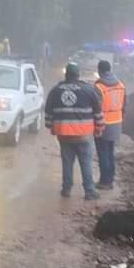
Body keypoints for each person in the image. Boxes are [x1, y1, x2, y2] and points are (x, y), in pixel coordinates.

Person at [45, 62, 105, 200]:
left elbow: (48, 113)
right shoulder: (88, 90)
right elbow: (98, 112)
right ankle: (89, 191)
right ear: (78, 75)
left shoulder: (55, 90)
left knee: (67, 162)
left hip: (64, 135)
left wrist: (51, 127)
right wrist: (99, 128)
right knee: (86, 163)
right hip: (83, 135)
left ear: (66, 75)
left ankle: (66, 189)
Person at [93, 60, 126, 189]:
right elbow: (124, 105)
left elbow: (95, 107)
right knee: (110, 152)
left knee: (103, 153)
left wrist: (95, 124)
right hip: (117, 123)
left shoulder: (99, 87)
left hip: (103, 124)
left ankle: (104, 182)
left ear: (100, 71)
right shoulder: (121, 85)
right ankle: (110, 179)